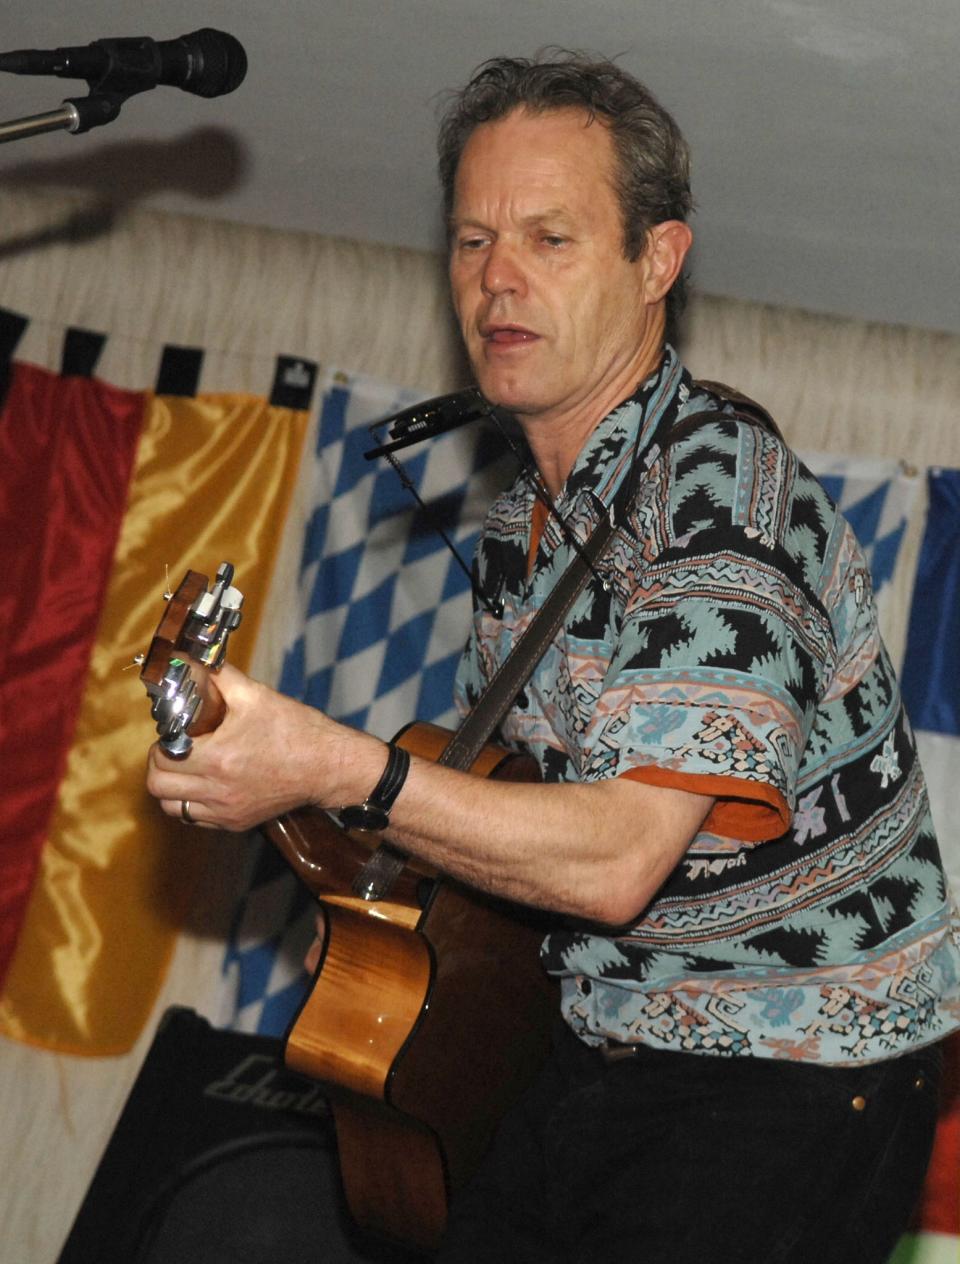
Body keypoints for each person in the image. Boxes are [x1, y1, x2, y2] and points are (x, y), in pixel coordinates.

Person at [147, 52, 960, 1263]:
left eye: (549, 238)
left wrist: (333, 765)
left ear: (658, 263)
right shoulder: (524, 523)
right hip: (601, 1032)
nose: (497, 280)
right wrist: (312, 827)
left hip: (793, 1059)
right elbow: (512, 812)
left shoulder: (718, 495)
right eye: (472, 242)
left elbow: (621, 857)